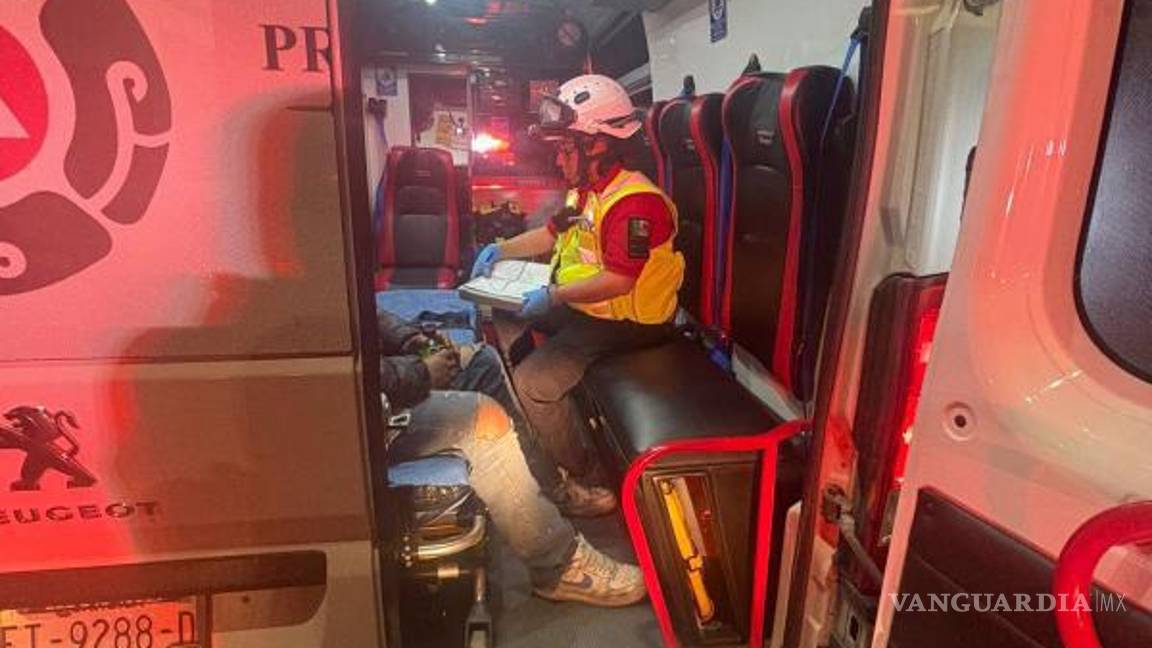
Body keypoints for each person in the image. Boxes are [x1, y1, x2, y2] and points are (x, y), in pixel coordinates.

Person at [471, 74, 684, 485]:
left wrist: (553, 295)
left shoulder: (635, 202)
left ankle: (585, 474)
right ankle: (547, 421)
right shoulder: (588, 192)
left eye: (566, 149)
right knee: (504, 317)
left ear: (598, 145)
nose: (558, 160)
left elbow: (620, 281)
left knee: (535, 382)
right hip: (587, 308)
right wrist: (501, 249)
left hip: (629, 323)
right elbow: (552, 233)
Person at [378, 310, 644, 606]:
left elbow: (363, 316)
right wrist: (421, 372)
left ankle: (548, 488)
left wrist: (411, 340)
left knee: (482, 363)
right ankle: (557, 567)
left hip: (386, 384)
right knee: (484, 421)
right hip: (363, 418)